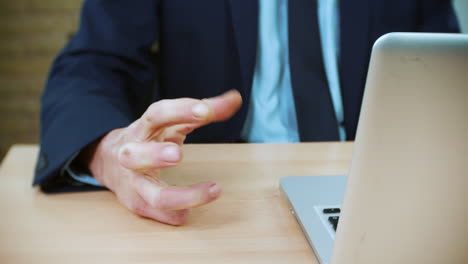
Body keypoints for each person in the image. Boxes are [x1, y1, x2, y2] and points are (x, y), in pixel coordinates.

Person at [34, 0, 459, 225]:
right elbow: (91, 64)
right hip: (214, 195)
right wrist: (109, 151)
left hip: (370, 184)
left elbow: (444, 71)